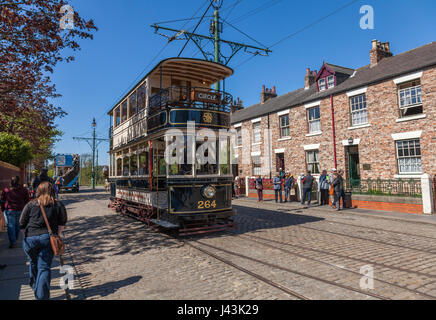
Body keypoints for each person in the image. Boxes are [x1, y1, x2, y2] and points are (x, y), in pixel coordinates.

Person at [20, 181, 68, 300]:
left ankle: (35, 284)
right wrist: (57, 235)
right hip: (47, 239)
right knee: (44, 267)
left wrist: (26, 237)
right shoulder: (58, 205)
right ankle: (41, 296)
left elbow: (21, 223)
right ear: (53, 191)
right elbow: (62, 223)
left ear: (38, 191)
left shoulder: (30, 205)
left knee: (32, 262)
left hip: (30, 239)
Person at [1, 176, 30, 248]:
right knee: (17, 225)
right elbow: (27, 201)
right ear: (19, 181)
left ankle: (13, 242)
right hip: (20, 210)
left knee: (11, 226)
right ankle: (15, 239)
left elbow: (2, 200)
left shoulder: (6, 190)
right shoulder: (24, 190)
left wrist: (2, 208)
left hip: (10, 210)